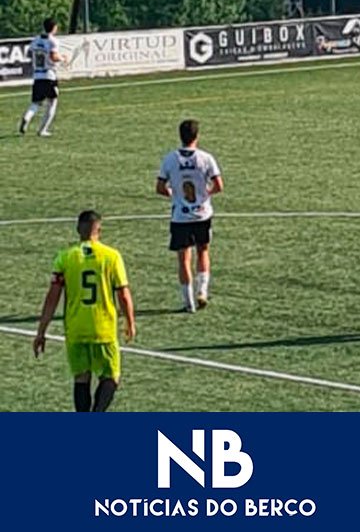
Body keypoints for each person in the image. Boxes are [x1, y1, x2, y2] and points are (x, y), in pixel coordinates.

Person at [32, 211, 136, 412]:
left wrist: (41, 332)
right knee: (111, 376)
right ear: (100, 230)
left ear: (77, 229)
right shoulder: (112, 256)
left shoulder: (65, 257)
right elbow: (123, 293)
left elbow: (52, 298)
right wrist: (130, 322)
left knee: (81, 377)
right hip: (103, 328)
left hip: (76, 329)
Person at [156, 119, 224, 312]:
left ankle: (188, 302)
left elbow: (160, 187)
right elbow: (219, 185)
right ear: (197, 136)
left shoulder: (170, 159)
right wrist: (204, 195)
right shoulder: (206, 158)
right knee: (203, 251)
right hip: (202, 214)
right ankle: (202, 291)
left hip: (180, 216)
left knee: (183, 258)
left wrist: (174, 194)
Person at [17, 18, 64, 137]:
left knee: (36, 102)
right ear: (54, 28)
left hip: (37, 75)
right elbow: (53, 57)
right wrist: (62, 58)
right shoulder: (53, 41)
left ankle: (27, 117)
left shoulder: (36, 40)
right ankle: (42, 130)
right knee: (52, 102)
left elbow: (30, 53)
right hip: (49, 75)